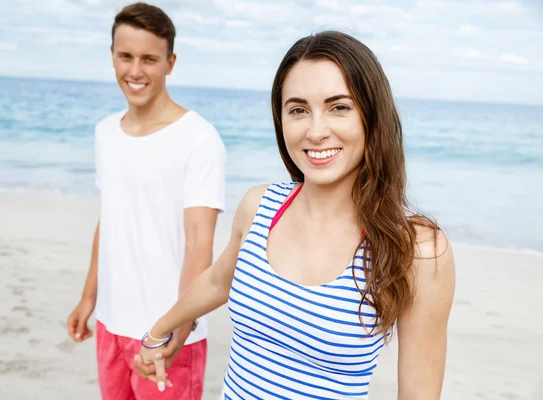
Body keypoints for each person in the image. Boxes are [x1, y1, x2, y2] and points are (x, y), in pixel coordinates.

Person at [134, 30, 456, 399]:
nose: (316, 132)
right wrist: (158, 333)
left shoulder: (418, 247)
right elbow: (218, 282)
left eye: (339, 107)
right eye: (298, 110)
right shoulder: (260, 206)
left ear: (372, 116)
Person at [66, 2, 227, 399]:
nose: (135, 71)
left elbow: (198, 245)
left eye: (149, 59)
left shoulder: (199, 139)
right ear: (112, 56)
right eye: (126, 56)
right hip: (110, 325)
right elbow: (111, 220)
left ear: (170, 63)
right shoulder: (106, 132)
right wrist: (89, 299)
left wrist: (177, 330)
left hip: (167, 335)